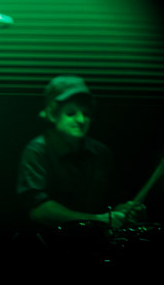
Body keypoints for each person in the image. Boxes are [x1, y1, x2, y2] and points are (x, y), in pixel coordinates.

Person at [16, 75, 141, 229]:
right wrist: (96, 220)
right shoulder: (37, 151)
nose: (81, 120)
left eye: (86, 113)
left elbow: (112, 201)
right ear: (52, 114)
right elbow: (38, 210)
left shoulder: (101, 153)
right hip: (50, 241)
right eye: (71, 113)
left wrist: (123, 211)